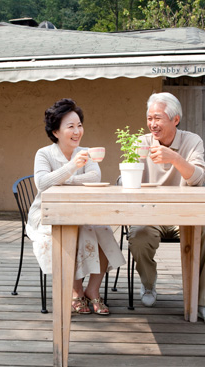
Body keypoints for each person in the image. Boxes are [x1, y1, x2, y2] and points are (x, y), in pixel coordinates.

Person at [26, 98, 126, 316]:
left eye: (79, 125)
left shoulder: (86, 151)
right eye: (70, 126)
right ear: (56, 132)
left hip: (84, 212)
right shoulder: (44, 154)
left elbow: (95, 176)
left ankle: (93, 290)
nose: (77, 131)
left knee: (103, 230)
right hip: (47, 214)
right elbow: (42, 183)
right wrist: (72, 167)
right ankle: (75, 290)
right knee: (81, 231)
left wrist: (63, 179)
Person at [127, 92, 205, 326]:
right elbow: (126, 178)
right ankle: (148, 284)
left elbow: (199, 177)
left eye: (157, 118)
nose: (152, 124)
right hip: (150, 213)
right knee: (138, 234)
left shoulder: (192, 141)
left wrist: (174, 158)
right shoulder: (141, 143)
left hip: (184, 215)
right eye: (149, 118)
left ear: (175, 119)